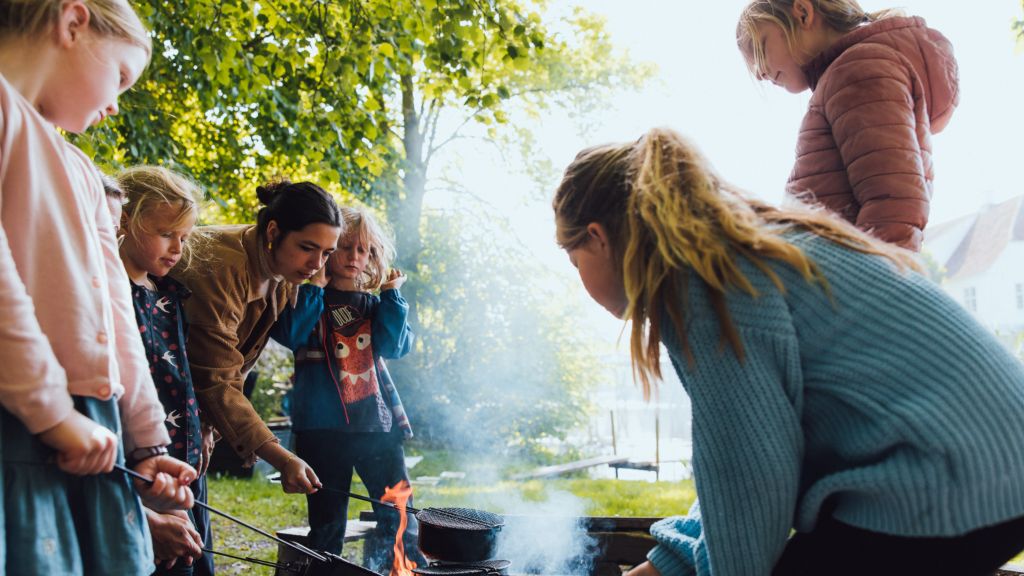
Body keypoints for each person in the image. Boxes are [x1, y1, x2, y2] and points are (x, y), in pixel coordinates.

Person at [552, 127, 1024, 576]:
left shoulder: (705, 285)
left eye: (575, 260)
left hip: (948, 479)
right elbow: (745, 453)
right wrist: (670, 564)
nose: (579, 277)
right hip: (995, 467)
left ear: (599, 236)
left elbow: (752, 482)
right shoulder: (745, 251)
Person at [0, 1, 197, 574]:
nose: (115, 104)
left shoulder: (82, 170)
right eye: (120, 76)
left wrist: (146, 444)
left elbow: (115, 318)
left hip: (90, 423)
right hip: (23, 419)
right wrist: (52, 414)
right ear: (73, 22)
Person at [736, 0, 959, 251]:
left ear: (802, 13)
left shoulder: (857, 71)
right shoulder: (848, 75)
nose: (759, 73)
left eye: (760, 48)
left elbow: (894, 208)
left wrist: (869, 288)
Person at [271, 206, 423, 571]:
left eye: (366, 250)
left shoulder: (375, 303)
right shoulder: (306, 299)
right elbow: (290, 335)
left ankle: (400, 570)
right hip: (322, 433)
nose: (355, 257)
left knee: (399, 516)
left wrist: (392, 296)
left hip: (377, 428)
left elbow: (395, 346)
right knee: (327, 527)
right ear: (328, 250)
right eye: (346, 247)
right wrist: (316, 287)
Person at [172, 179, 343, 495]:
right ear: (274, 232)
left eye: (326, 253)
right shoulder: (220, 267)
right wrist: (280, 456)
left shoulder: (281, 268)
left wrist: (208, 425)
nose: (317, 265)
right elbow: (215, 377)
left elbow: (234, 364)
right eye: (307, 248)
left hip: (188, 413)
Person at [116, 166, 214, 575]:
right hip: (138, 469)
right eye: (165, 233)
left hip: (183, 463)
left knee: (195, 561)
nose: (177, 248)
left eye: (184, 237)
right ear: (124, 220)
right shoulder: (111, 291)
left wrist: (203, 428)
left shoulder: (170, 293)